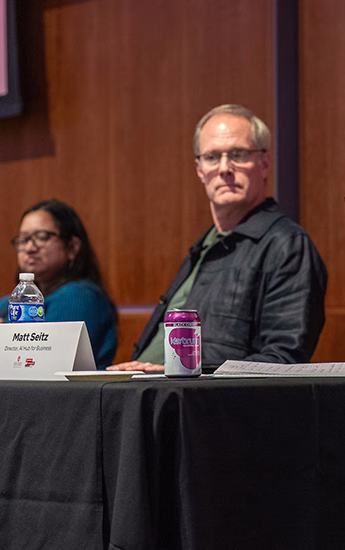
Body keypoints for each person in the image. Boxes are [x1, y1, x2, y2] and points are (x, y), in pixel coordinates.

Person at [110, 104, 327, 372]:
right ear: (200, 170)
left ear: (264, 164)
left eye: (238, 154)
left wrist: (184, 371)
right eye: (212, 157)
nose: (224, 168)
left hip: (204, 404)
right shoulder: (206, 245)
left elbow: (284, 361)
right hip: (150, 394)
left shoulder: (287, 245)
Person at [0, 199, 118, 368]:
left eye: (42, 237)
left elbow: (38, 363)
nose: (29, 248)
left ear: (72, 247)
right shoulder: (9, 303)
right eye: (23, 239)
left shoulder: (79, 296)